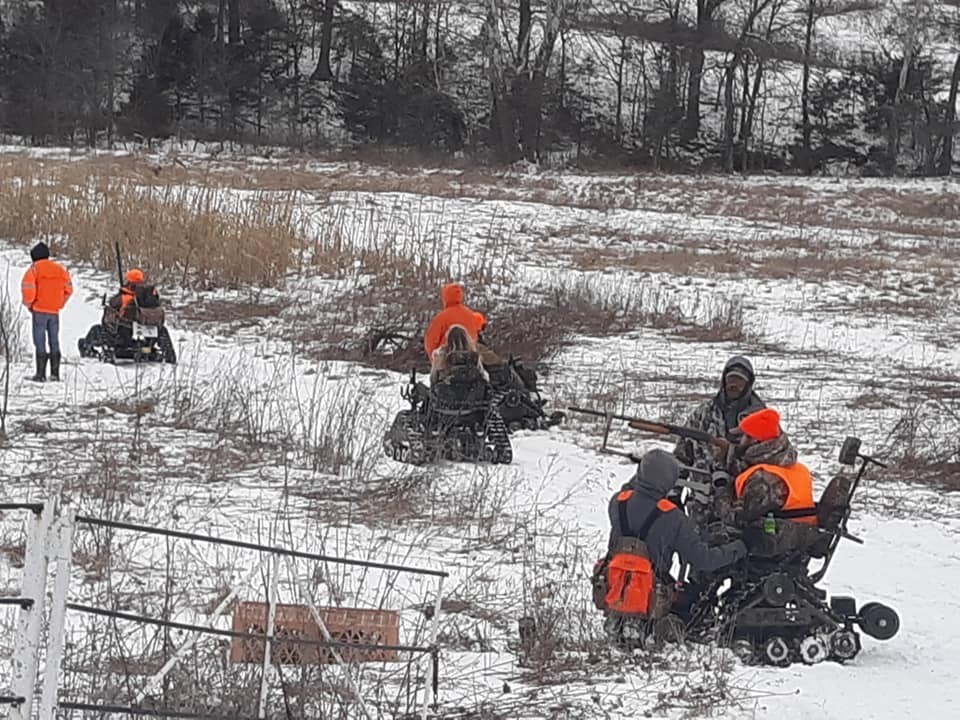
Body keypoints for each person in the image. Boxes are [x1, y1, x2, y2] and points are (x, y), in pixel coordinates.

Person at [600, 449, 747, 645]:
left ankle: (621, 617)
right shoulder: (673, 517)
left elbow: (632, 489)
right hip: (654, 592)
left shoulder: (617, 502)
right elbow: (703, 560)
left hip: (615, 584)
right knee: (689, 601)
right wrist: (739, 547)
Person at [674, 355, 766, 474]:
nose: (734, 385)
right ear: (723, 380)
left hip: (744, 489)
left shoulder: (761, 419)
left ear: (748, 385)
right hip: (701, 489)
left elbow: (771, 461)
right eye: (730, 379)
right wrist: (673, 491)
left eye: (740, 381)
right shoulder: (703, 414)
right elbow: (682, 457)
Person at [730, 408, 817, 526]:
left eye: (745, 436)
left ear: (756, 442)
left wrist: (721, 488)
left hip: (771, 541)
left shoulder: (763, 478)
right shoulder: (799, 469)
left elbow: (736, 519)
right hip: (800, 536)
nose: (740, 441)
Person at [21, 241, 73, 382]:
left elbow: (28, 289)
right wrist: (59, 303)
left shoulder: (34, 270)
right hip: (54, 311)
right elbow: (69, 289)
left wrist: (29, 304)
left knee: (39, 341)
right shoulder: (60, 269)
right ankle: (55, 374)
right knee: (54, 341)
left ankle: (40, 374)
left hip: (39, 310)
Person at [423, 283, 485, 358]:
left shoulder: (441, 317)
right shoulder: (471, 315)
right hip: (469, 358)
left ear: (445, 297)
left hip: (447, 358)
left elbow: (431, 342)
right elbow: (476, 336)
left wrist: (434, 358)